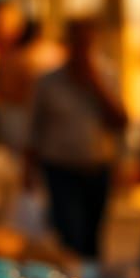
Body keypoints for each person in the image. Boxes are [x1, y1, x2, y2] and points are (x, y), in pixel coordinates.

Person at [28, 19, 126, 258]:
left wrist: (96, 84)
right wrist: (28, 170)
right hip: (61, 168)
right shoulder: (48, 81)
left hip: (97, 167)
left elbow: (121, 120)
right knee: (69, 234)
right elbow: (34, 128)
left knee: (93, 236)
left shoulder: (107, 74)